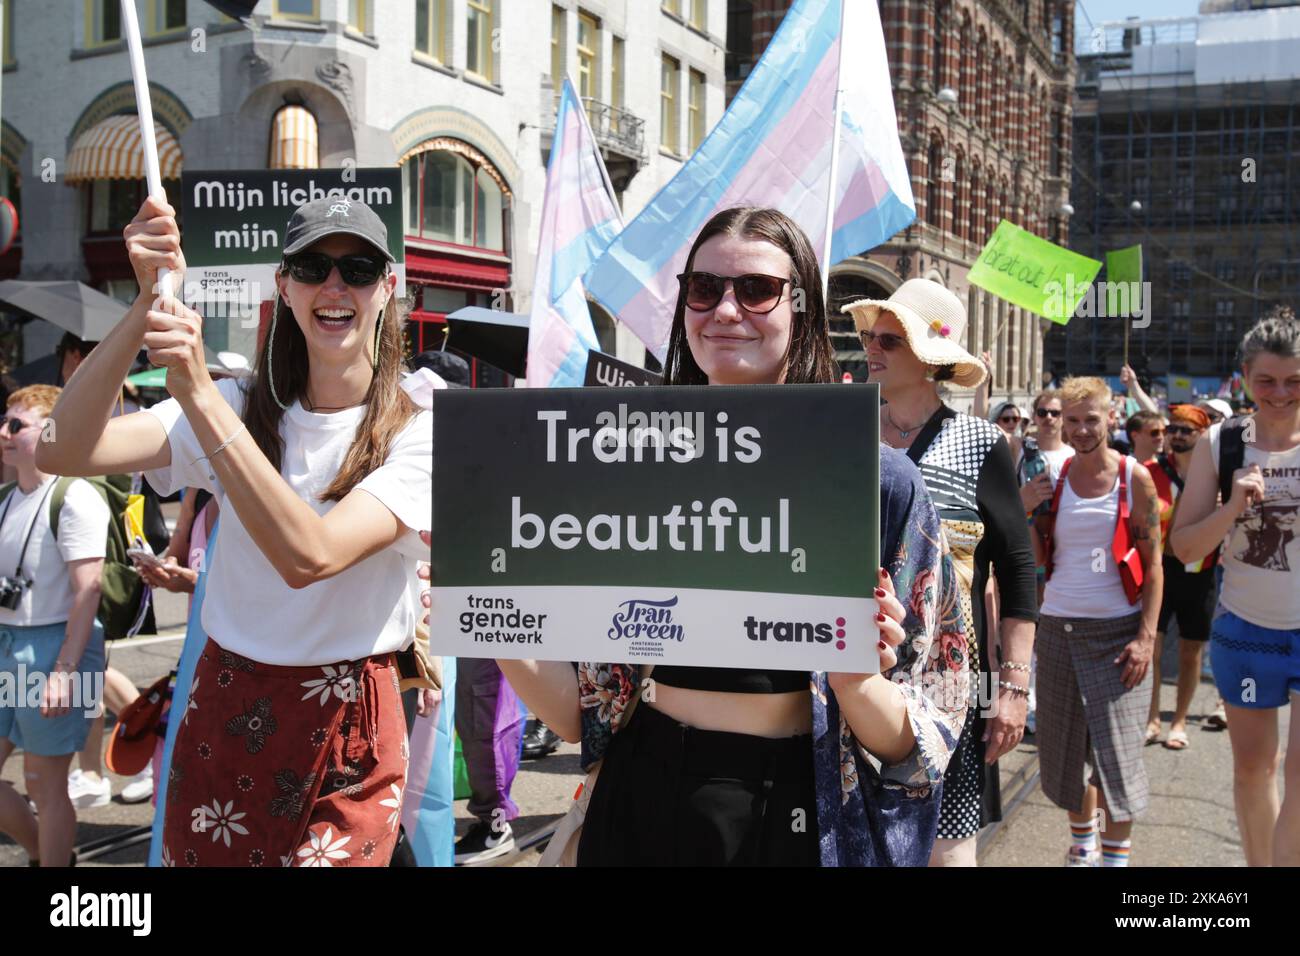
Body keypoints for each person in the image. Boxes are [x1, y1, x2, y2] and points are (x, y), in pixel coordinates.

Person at [469, 208, 969, 866]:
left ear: (801, 308)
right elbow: (581, 719)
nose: (726, 310)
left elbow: (923, 737)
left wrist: (857, 683)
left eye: (756, 290)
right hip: (637, 802)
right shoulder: (622, 471)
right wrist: (488, 600)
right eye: (703, 289)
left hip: (795, 812)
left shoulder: (877, 484)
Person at [39, 193, 431, 867]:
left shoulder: (420, 431)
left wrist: (197, 396)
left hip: (351, 721)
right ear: (284, 284)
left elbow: (311, 556)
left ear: (387, 287)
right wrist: (142, 309)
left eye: (359, 268)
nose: (335, 286)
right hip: (229, 703)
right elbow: (62, 449)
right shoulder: (238, 404)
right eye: (312, 266)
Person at [849, 278, 1038, 867]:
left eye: (890, 339)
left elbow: (1017, 567)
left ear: (930, 359)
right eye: (870, 337)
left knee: (947, 846)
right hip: (850, 662)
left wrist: (1011, 688)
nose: (871, 348)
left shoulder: (981, 441)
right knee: (854, 831)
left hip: (948, 678)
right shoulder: (845, 430)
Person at [1171, 310, 1300, 867]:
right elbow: (1185, 547)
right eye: (1267, 380)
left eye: (1295, 380)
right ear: (1245, 376)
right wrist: (1231, 507)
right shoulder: (1220, 444)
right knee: (1254, 771)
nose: (1280, 393)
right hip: (1245, 634)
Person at [1035, 376, 1162, 867]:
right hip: (1059, 628)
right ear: (1062, 422)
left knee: (1118, 759)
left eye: (1092, 419)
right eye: (1073, 420)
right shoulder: (1059, 475)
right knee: (1066, 755)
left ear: (1112, 417)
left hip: (1117, 635)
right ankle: (1082, 847)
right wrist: (1027, 506)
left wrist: (1147, 639)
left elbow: (1154, 566)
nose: (1082, 429)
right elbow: (1041, 552)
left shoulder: (1135, 476)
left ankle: (1115, 860)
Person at [0, 384, 109, 867]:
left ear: (50, 430)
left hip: (58, 647)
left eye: (16, 424)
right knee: (39, 785)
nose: (4, 431)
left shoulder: (75, 495)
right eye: (5, 421)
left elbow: (89, 589)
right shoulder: (7, 498)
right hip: (10, 642)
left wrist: (64, 672)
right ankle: (49, 857)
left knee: (45, 782)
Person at [1144, 405, 1218, 749]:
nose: (1176, 435)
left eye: (1186, 430)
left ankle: (1180, 720)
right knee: (1154, 648)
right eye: (1172, 428)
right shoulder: (1151, 472)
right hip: (1160, 571)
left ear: (1202, 435)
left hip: (1200, 571)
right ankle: (1153, 716)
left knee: (1190, 650)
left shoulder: (1217, 476)